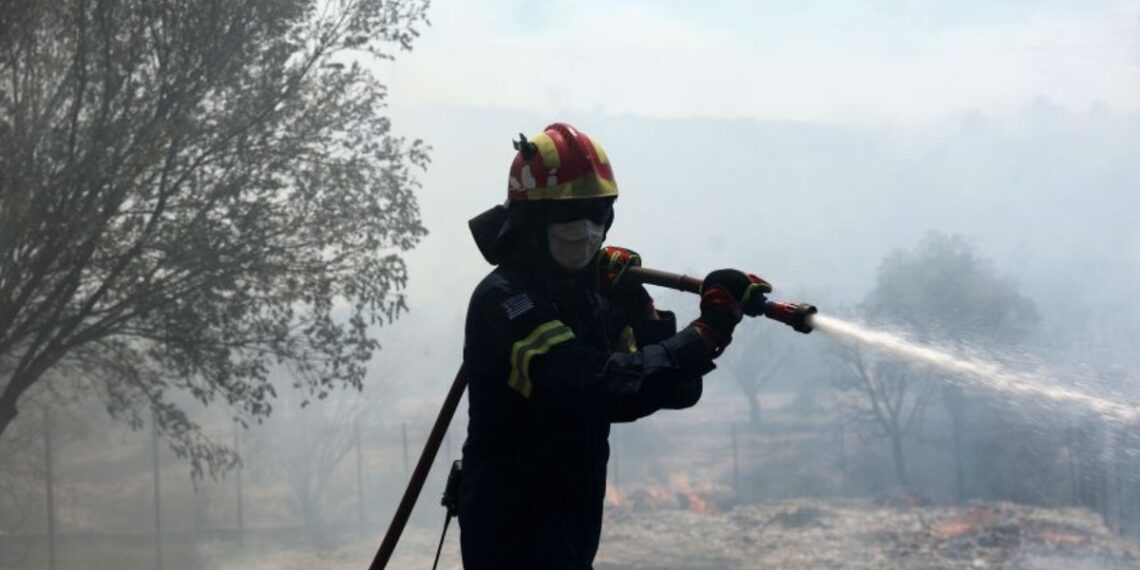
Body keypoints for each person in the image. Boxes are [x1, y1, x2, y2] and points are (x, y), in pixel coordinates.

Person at [459, 122, 770, 569]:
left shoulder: (585, 298)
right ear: (532, 219)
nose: (586, 229)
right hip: (510, 536)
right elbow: (600, 387)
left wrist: (637, 306)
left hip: (571, 530)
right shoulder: (507, 300)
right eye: (571, 214)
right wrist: (707, 331)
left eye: (598, 213)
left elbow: (676, 389)